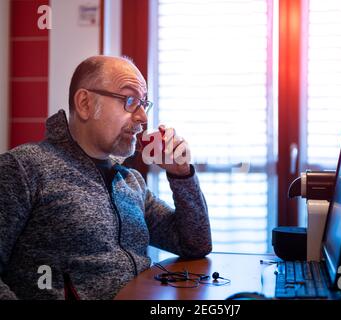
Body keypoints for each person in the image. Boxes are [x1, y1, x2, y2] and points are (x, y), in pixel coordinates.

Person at [0, 55, 212, 300]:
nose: (143, 117)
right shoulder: (24, 168)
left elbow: (195, 244)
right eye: (130, 100)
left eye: (144, 104)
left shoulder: (130, 182)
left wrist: (181, 174)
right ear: (85, 103)